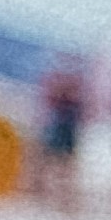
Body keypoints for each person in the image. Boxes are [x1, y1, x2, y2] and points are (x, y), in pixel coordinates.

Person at [32, 59, 87, 205]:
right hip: (59, 123)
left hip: (65, 125)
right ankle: (48, 193)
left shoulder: (72, 81)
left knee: (63, 160)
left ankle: (60, 194)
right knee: (53, 158)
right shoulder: (61, 80)